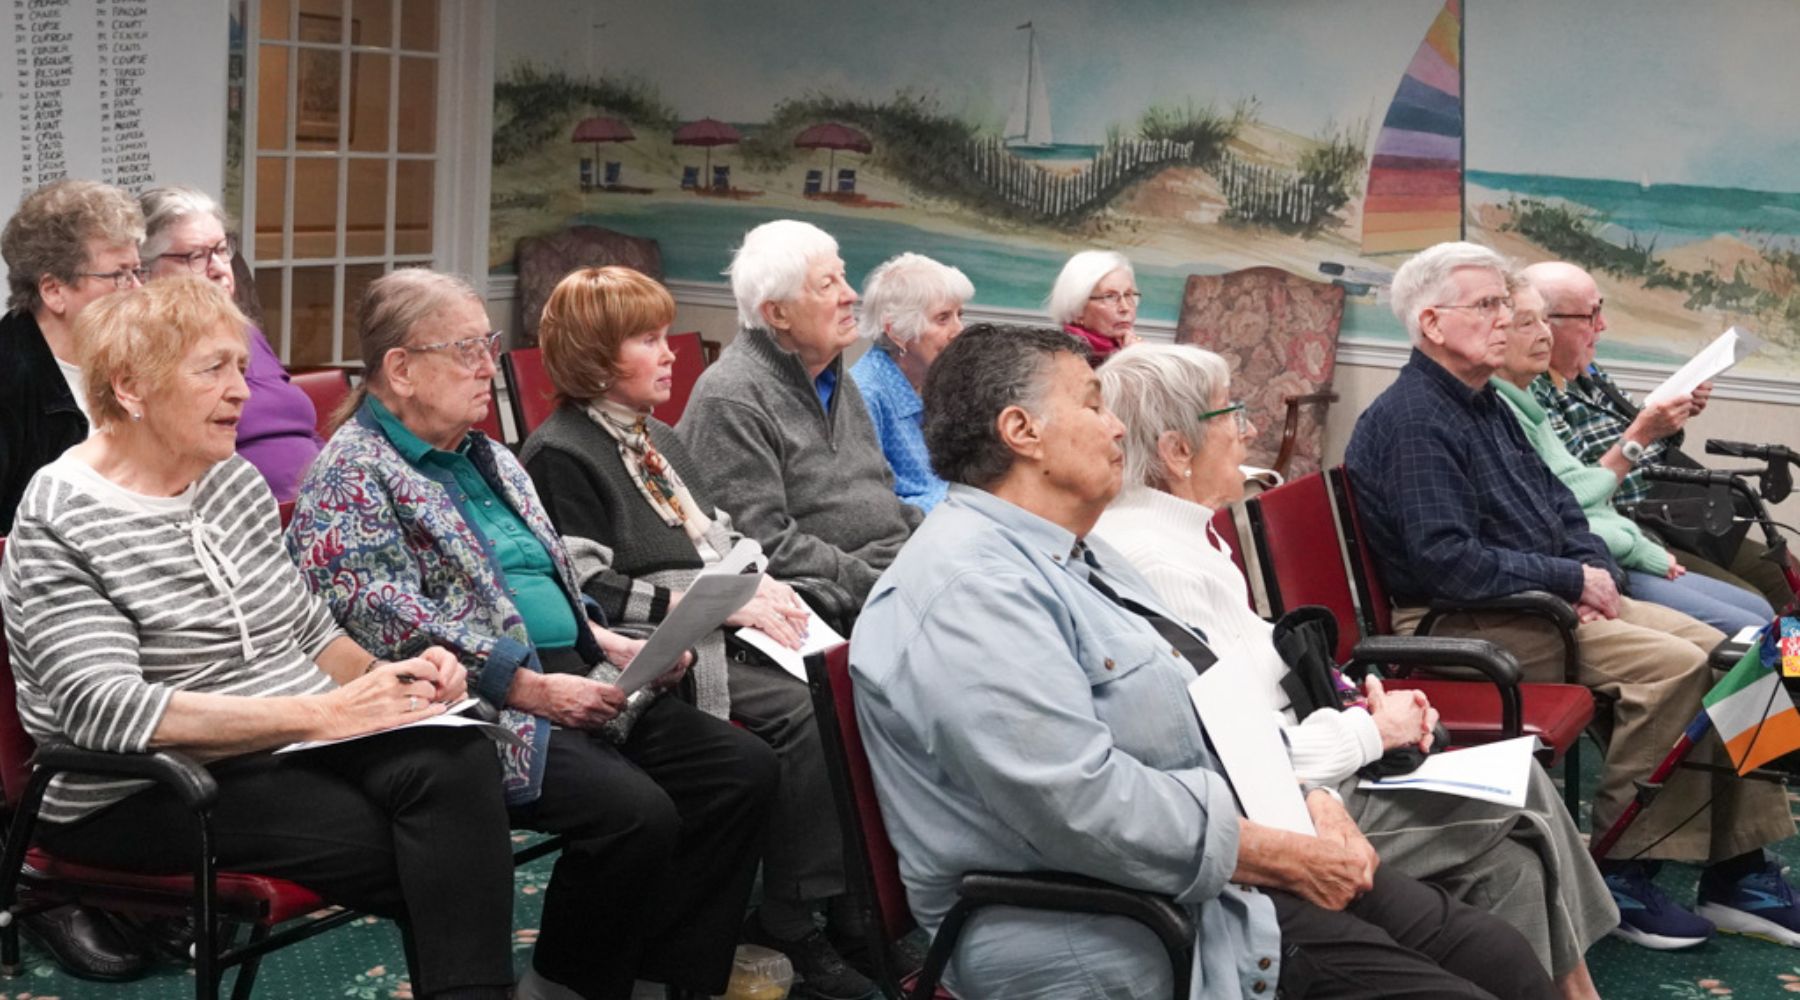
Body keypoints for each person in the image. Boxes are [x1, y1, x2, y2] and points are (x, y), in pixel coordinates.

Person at [852, 321, 1558, 999]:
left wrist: (1307, 799)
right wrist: (1279, 850)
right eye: (1093, 405)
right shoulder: (971, 592)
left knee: (1497, 955)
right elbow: (1078, 805)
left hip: (1196, 871)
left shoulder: (1076, 554)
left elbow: (1207, 712)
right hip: (1099, 915)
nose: (1117, 427)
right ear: (1021, 431)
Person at [0, 275, 516, 999]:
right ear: (131, 388)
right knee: (426, 849)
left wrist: (391, 677)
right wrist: (323, 714)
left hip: (275, 744)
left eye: (241, 368)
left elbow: (306, 627)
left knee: (457, 758)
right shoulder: (63, 513)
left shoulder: (230, 479)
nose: (241, 392)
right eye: (212, 370)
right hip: (136, 790)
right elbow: (106, 711)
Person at [287, 269, 777, 1000]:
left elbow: (552, 580)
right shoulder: (353, 474)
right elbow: (382, 617)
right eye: (465, 350)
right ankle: (560, 985)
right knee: (634, 815)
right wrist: (532, 687)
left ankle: (660, 978)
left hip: (579, 671)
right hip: (481, 703)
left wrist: (608, 642)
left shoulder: (488, 456)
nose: (487, 365)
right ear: (401, 369)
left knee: (741, 771)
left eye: (487, 345)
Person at [1093, 341, 1613, 998]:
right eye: (1232, 413)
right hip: (1289, 809)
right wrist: (1373, 730)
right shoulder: (1158, 563)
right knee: (1524, 786)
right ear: (1176, 451)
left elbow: (1267, 683)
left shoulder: (1190, 536)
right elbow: (1243, 758)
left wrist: (1352, 702)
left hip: (1318, 767)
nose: (1249, 431)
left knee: (1511, 869)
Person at [1344, 241, 1800, 951]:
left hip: (1532, 598)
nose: (1507, 318)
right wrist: (1568, 581)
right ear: (1432, 323)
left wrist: (1590, 571)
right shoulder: (1415, 420)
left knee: (1746, 654)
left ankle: (1741, 869)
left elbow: (1561, 505)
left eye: (1506, 302)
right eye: (1489, 304)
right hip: (1469, 619)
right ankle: (1623, 868)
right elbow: (1445, 563)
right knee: (1678, 669)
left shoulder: (1483, 402)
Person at [519, 265, 888, 999]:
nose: (670, 355)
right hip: (654, 648)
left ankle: (854, 899)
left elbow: (718, 534)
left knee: (853, 678)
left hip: (710, 623)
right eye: (647, 341)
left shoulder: (655, 436)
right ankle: (790, 918)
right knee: (802, 712)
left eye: (666, 336)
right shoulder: (562, 451)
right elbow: (587, 588)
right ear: (595, 357)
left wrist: (757, 582)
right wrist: (721, 601)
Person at [1492, 278, 1773, 634]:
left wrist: (1670, 418)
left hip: (1640, 530)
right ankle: (1785, 662)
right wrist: (1641, 434)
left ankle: (1790, 664)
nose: (1602, 325)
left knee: (1772, 597)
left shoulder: (1588, 375)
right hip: (1635, 529)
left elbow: (1595, 484)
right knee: (1757, 622)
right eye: (1591, 315)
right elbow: (1582, 497)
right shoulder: (1525, 398)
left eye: (1543, 321)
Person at [679, 220, 921, 606]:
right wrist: (885, 586)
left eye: (843, 277)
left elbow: (884, 496)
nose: (850, 294)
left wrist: (933, 545)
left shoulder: (837, 379)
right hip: (842, 598)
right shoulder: (731, 397)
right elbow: (764, 546)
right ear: (778, 314)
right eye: (828, 285)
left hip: (898, 571)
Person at [140, 185, 321, 502]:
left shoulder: (244, 330)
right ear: (145, 272)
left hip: (317, 507)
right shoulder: (146, 351)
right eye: (196, 256)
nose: (219, 269)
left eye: (222, 250)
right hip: (241, 519)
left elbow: (301, 429)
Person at [1, 179, 145, 535]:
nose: (138, 291)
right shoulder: (8, 380)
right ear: (54, 291)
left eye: (137, 272)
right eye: (119, 276)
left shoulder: (138, 358)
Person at [848, 252, 972, 512]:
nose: (958, 331)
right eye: (943, 318)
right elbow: (868, 502)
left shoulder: (941, 379)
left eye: (959, 315)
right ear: (897, 331)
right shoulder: (863, 394)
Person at [1047, 249, 1144, 365]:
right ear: (1078, 309)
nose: (1125, 307)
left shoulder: (1129, 347)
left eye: (1128, 295)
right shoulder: (1063, 359)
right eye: (1109, 297)